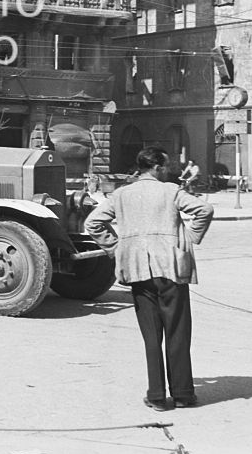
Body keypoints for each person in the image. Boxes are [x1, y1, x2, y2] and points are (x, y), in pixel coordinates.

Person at [85, 146, 213, 412]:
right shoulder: (171, 191)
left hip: (138, 270)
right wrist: (191, 237)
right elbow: (204, 210)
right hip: (171, 269)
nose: (167, 170)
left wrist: (117, 248)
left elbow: (93, 223)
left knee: (151, 336)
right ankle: (183, 394)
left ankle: (156, 396)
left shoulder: (121, 195)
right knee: (177, 332)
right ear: (156, 168)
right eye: (165, 166)